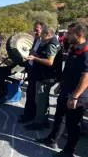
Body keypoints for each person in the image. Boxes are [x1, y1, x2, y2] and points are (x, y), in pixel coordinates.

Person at [36, 22, 88, 157]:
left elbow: (86, 76)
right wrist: (61, 84)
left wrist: (75, 96)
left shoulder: (86, 51)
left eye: (70, 33)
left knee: (72, 124)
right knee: (60, 117)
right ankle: (52, 140)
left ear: (80, 35)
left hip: (79, 94)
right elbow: (68, 69)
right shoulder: (73, 48)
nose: (66, 35)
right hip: (66, 89)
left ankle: (68, 152)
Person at [24, 27, 62, 130]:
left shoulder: (51, 44)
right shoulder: (51, 43)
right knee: (43, 100)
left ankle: (38, 123)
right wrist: (37, 54)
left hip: (46, 77)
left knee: (40, 100)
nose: (40, 37)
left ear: (48, 34)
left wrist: (35, 58)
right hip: (46, 76)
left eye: (42, 35)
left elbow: (50, 62)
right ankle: (44, 121)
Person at [19, 21, 45, 123]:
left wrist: (35, 57)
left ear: (42, 30)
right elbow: (32, 53)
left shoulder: (44, 42)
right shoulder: (36, 39)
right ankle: (27, 114)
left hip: (37, 71)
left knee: (33, 94)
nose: (35, 32)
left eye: (37, 30)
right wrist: (27, 66)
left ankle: (30, 116)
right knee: (30, 93)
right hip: (31, 69)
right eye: (34, 30)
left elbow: (44, 57)